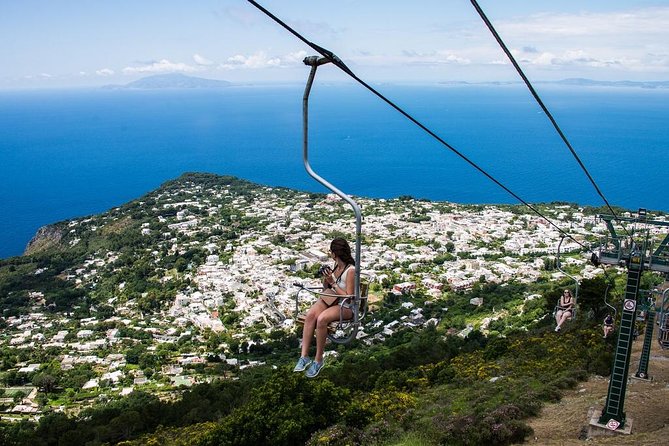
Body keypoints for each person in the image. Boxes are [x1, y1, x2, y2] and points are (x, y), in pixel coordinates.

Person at [294, 237, 356, 378]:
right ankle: (304, 356)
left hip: (345, 306)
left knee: (321, 319)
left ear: (335, 253)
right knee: (311, 315)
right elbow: (326, 287)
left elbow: (349, 296)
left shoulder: (350, 270)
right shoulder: (336, 265)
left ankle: (318, 360)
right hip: (332, 298)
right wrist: (327, 279)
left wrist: (333, 283)